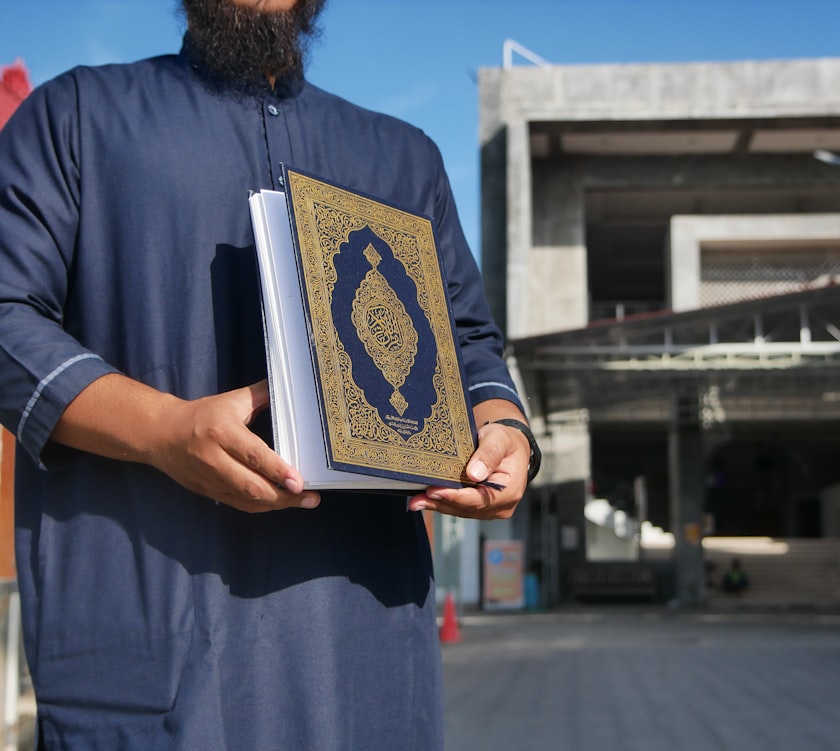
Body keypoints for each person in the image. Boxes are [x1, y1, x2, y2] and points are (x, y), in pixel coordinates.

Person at [0, 0, 539, 747]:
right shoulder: (77, 117)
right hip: (153, 644)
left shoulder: (404, 159)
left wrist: (501, 426)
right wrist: (161, 429)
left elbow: (470, 341)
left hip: (366, 648)